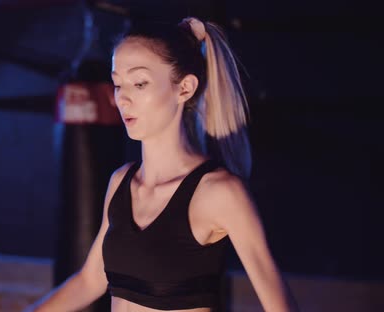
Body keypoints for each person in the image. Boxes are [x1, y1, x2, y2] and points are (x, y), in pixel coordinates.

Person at [27, 17, 298, 312]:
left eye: (140, 83)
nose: (123, 98)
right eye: (118, 83)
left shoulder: (218, 192)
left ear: (184, 88)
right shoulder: (121, 182)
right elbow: (90, 281)